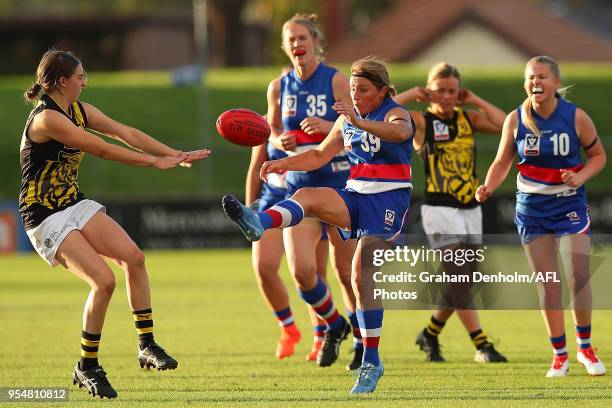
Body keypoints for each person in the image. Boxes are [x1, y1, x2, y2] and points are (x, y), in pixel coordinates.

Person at [19, 50, 210, 399]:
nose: (84, 80)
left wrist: (174, 155)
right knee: (103, 281)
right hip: (43, 214)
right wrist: (154, 164)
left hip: (72, 202)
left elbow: (125, 132)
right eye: (79, 76)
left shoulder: (79, 110)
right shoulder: (47, 119)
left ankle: (146, 344)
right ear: (61, 82)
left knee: (134, 258)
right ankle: (87, 366)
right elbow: (102, 149)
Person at [223, 55, 414, 394]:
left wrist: (358, 120)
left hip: (388, 201)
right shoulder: (348, 120)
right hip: (355, 194)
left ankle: (371, 361)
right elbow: (318, 156)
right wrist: (280, 163)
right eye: (353, 88)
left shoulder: (395, 112)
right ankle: (258, 221)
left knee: (359, 274)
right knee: (308, 194)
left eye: (363, 89)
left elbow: (400, 133)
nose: (355, 95)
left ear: (383, 90)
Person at [475, 56, 606, 377]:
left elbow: (598, 156)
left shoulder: (576, 117)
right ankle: (559, 355)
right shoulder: (515, 119)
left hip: (569, 206)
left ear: (556, 83)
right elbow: (502, 162)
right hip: (532, 210)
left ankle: (585, 349)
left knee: (577, 276)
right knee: (548, 284)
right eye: (531, 77)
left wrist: (581, 176)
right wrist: (488, 186)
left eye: (543, 77)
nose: (536, 82)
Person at [258, 13, 362, 370]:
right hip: (299, 188)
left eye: (302, 38)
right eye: (291, 40)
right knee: (302, 271)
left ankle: (362, 342)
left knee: (346, 271)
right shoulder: (279, 86)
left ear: (315, 41)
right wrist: (278, 140)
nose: (297, 45)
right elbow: (269, 130)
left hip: (338, 185)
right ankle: (334, 325)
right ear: (285, 47)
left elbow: (360, 127)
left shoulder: (335, 80)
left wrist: (329, 126)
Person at [394, 63, 507, 363]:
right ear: (429, 90)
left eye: (451, 91)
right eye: (439, 89)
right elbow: (384, 110)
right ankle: (482, 344)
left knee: (463, 281)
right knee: (458, 277)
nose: (445, 96)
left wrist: (476, 101)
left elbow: (507, 125)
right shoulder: (421, 121)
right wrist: (412, 93)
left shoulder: (467, 118)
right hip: (439, 209)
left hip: (471, 208)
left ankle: (430, 333)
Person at [246, 116, 330, 361]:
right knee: (264, 266)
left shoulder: (317, 117)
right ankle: (288, 328)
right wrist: (250, 210)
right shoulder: (263, 123)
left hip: (308, 199)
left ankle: (321, 334)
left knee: (313, 272)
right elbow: (255, 168)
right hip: (273, 198)